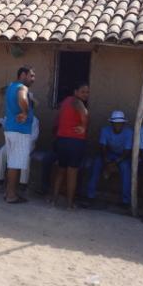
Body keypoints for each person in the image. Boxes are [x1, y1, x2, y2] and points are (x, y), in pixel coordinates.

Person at [51, 82, 90, 210]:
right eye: (83, 91)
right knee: (72, 173)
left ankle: (54, 200)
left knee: (60, 171)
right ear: (76, 92)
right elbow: (84, 113)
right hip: (74, 142)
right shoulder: (77, 102)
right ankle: (69, 204)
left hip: (61, 141)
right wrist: (84, 127)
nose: (85, 94)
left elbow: (57, 119)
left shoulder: (65, 101)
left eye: (87, 92)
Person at [86, 110, 132, 208]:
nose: (118, 125)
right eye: (115, 123)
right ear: (111, 123)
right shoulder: (105, 130)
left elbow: (127, 152)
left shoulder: (129, 132)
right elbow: (102, 147)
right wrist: (106, 160)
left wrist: (115, 163)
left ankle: (125, 201)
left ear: (123, 123)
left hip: (122, 156)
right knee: (96, 163)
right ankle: (90, 196)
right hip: (108, 154)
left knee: (126, 168)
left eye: (120, 123)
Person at [3, 66, 36, 204]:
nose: (33, 79)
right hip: (19, 131)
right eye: (31, 76)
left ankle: (9, 193)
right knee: (15, 165)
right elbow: (22, 98)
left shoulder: (11, 86)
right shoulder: (22, 87)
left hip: (11, 129)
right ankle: (11, 196)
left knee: (12, 164)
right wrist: (25, 112)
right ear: (23, 75)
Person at [0, 116, 40, 186]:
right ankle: (0, 178)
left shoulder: (34, 120)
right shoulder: (14, 115)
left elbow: (34, 136)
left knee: (26, 156)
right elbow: (4, 120)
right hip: (13, 143)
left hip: (27, 145)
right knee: (2, 151)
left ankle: (23, 182)